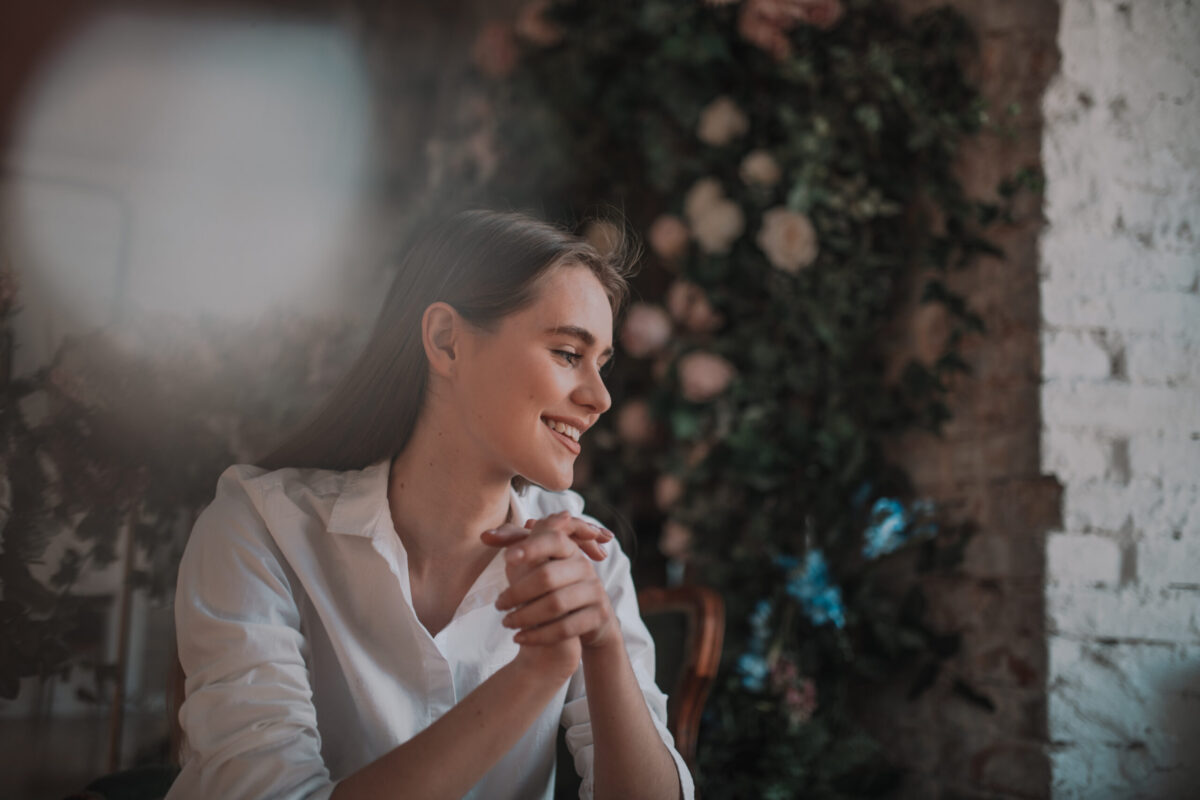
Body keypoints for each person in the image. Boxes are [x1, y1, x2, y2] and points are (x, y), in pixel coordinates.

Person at [167, 210, 694, 800]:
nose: (599, 399)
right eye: (569, 353)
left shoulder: (587, 558)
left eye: (602, 364)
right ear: (447, 341)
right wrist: (535, 673)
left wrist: (602, 645)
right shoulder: (259, 528)